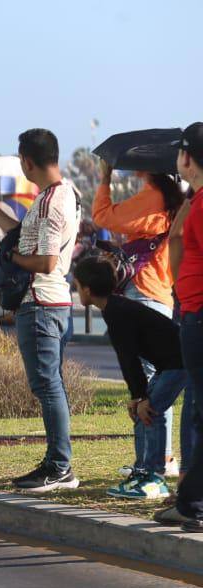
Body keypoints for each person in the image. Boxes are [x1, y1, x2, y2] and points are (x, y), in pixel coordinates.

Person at [0, 128, 82, 493]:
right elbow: (23, 235)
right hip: (49, 303)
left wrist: (9, 257)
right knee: (51, 384)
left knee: (47, 385)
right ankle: (59, 462)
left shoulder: (52, 203)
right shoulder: (57, 196)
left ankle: (58, 466)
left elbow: (47, 261)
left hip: (40, 303)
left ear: (27, 161)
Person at [93, 161, 185, 479]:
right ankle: (160, 457)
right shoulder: (174, 200)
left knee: (149, 390)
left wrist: (104, 180)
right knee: (159, 387)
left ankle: (150, 464)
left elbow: (103, 216)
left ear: (147, 167)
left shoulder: (153, 196)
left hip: (143, 293)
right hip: (160, 292)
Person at [73, 256, 184, 499]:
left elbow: (129, 359)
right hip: (170, 364)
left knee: (150, 411)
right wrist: (137, 397)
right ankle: (144, 471)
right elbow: (130, 360)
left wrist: (140, 396)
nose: (77, 290)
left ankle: (155, 478)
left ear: (88, 290)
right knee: (144, 412)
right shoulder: (115, 307)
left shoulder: (117, 313)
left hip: (180, 363)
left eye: (77, 286)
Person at [160, 122, 203, 530]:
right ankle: (191, 500)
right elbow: (176, 241)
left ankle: (193, 502)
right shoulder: (197, 200)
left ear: (187, 157)